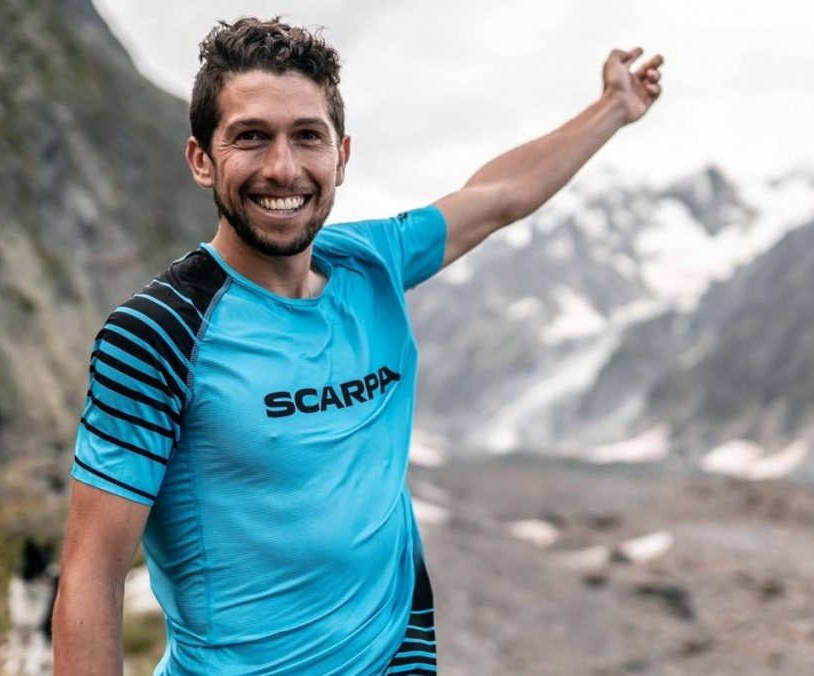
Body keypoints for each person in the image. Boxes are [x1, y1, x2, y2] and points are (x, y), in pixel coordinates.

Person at [52, 16, 663, 675]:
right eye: (250, 138)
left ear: (341, 156)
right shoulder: (157, 333)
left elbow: (500, 197)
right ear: (202, 159)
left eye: (307, 137)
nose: (282, 168)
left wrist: (613, 108)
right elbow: (92, 574)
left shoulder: (373, 262)